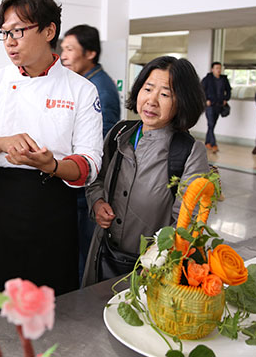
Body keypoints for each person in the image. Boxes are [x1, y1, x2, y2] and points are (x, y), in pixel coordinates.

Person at [0, 0, 103, 312]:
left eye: (18, 31)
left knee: (49, 308)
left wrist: (52, 165)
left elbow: (89, 164)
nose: (9, 42)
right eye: (4, 33)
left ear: (49, 31)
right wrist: (1, 142)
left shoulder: (81, 89)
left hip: (53, 206)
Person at [82, 56, 209, 287]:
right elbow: (96, 179)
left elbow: (186, 223)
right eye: (148, 89)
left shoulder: (189, 152)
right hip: (102, 257)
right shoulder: (119, 133)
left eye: (165, 94)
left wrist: (156, 259)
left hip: (151, 272)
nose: (152, 100)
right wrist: (97, 203)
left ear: (182, 101)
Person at [60, 24, 121, 283]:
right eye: (63, 48)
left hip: (86, 190)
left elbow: (100, 145)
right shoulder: (83, 82)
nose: (64, 55)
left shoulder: (99, 90)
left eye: (70, 49)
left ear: (90, 53)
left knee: (83, 255)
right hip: (77, 184)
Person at [200, 61, 231, 153]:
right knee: (211, 124)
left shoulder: (224, 79)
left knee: (212, 125)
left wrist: (226, 99)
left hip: (219, 105)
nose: (218, 70)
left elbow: (228, 90)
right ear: (212, 69)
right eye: (217, 68)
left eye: (220, 68)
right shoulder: (207, 79)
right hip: (210, 106)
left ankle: (207, 142)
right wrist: (206, 100)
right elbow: (200, 91)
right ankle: (214, 144)